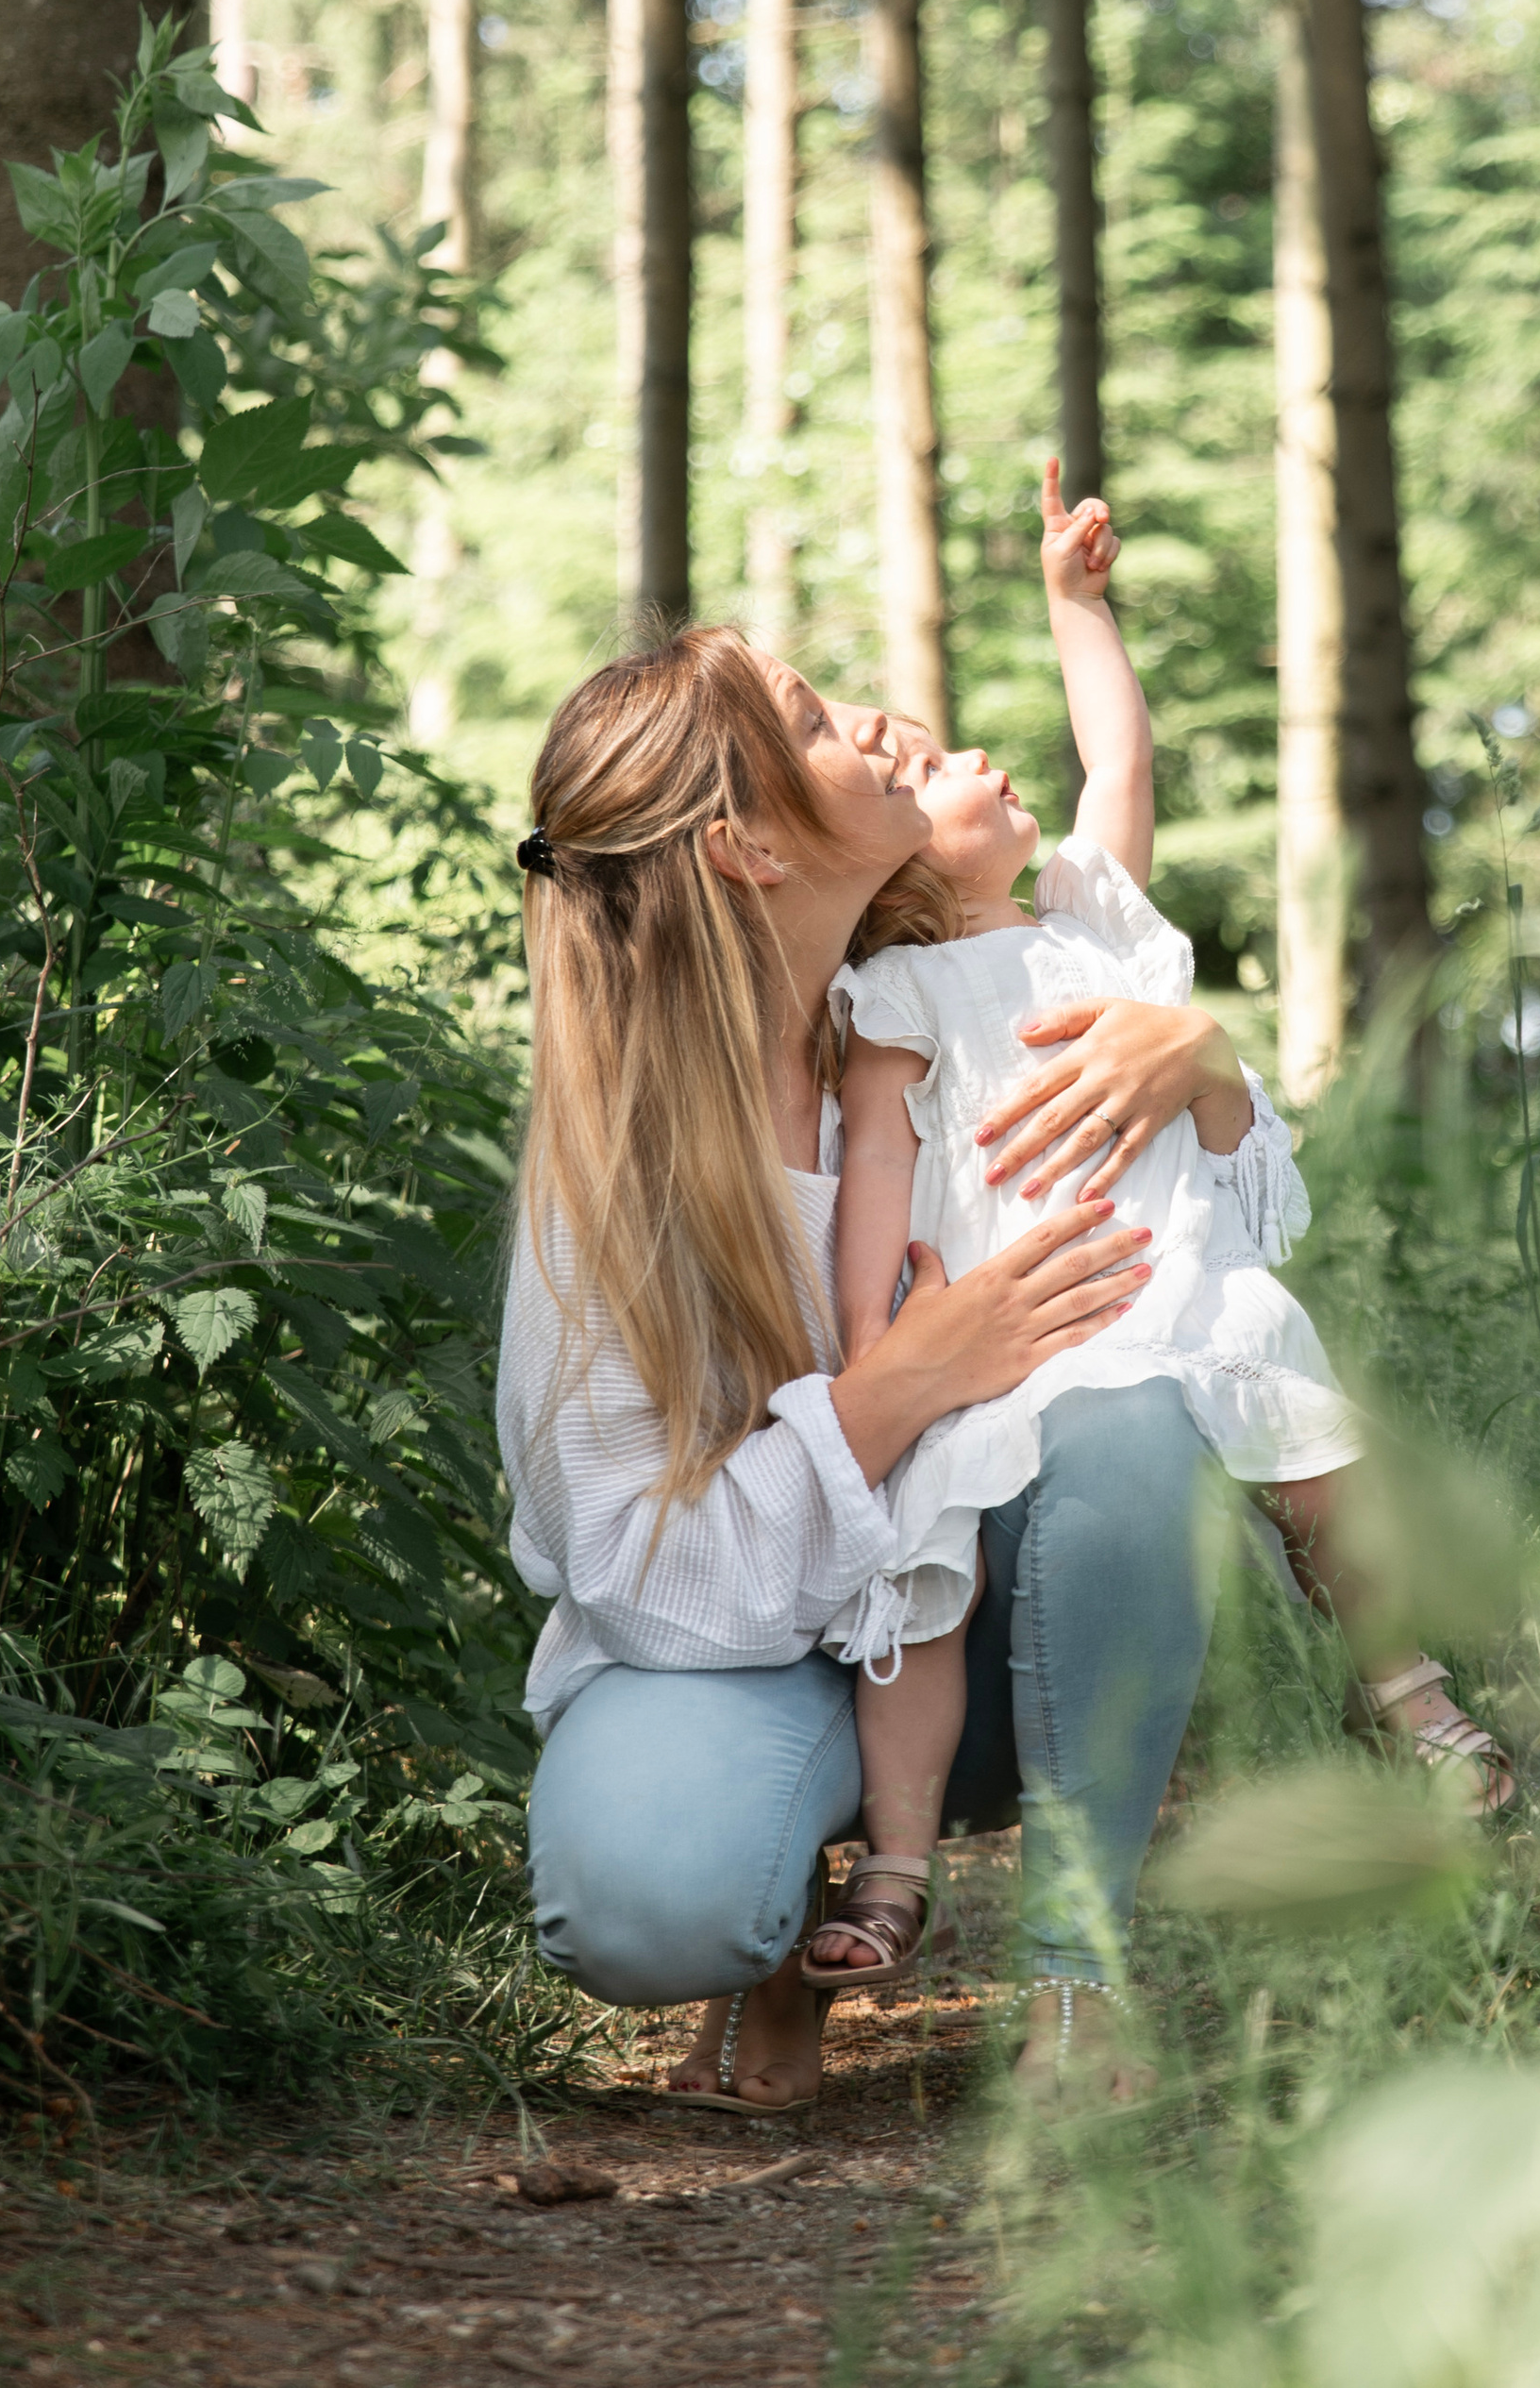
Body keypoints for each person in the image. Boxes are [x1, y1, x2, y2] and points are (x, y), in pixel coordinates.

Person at [496, 624, 1309, 2101]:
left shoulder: (965, 987)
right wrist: (900, 1384)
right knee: (648, 1892)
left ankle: (1078, 1980)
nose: (878, 720)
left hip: (981, 1615)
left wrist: (1201, 1064)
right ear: (744, 848)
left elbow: (1235, 1256)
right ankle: (777, 1930)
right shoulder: (610, 1176)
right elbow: (630, 1566)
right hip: (726, 1664)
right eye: (815, 719)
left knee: (1135, 1433)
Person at [795, 469, 1515, 1994]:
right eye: (936, 773)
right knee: (922, 1594)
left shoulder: (1095, 927)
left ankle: (1410, 1692)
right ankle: (904, 1858)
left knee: (1329, 1487)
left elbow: (1117, 749)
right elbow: (874, 1171)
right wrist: (877, 1350)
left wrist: (1079, 606)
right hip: (1010, 1331)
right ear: (909, 883)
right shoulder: (901, 996)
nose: (978, 757)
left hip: (1179, 1287)